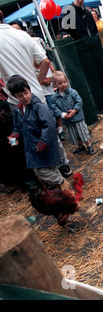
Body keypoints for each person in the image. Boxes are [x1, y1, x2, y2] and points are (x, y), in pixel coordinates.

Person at [0, 21, 72, 179]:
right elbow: (45, 61)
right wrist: (36, 83)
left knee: (42, 132)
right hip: (33, 92)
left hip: (20, 98)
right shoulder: (21, 35)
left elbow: (49, 125)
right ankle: (60, 165)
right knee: (36, 134)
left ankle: (57, 168)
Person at [7, 75, 70, 190]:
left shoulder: (39, 107)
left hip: (44, 147)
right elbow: (18, 126)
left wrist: (43, 142)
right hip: (33, 148)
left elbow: (50, 125)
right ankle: (62, 190)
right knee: (50, 169)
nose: (25, 97)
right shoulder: (18, 110)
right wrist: (15, 135)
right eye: (20, 96)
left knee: (43, 172)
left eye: (26, 93)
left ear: (29, 89)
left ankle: (63, 183)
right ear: (14, 96)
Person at [51, 71, 95, 156]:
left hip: (77, 118)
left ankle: (89, 145)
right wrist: (62, 114)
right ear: (55, 84)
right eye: (60, 83)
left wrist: (74, 111)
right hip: (67, 121)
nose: (63, 85)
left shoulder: (72, 92)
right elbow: (54, 108)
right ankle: (80, 146)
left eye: (64, 82)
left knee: (82, 132)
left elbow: (79, 102)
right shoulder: (54, 97)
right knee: (73, 134)